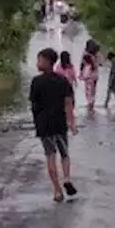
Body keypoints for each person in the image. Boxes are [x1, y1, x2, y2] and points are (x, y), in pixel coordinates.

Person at [30, 47, 78, 202]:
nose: (37, 63)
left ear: (47, 62)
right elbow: (68, 102)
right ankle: (67, 178)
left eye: (39, 60)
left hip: (44, 125)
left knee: (50, 156)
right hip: (60, 123)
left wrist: (36, 122)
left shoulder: (36, 82)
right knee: (64, 154)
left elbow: (34, 105)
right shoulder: (62, 80)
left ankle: (57, 190)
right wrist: (71, 122)